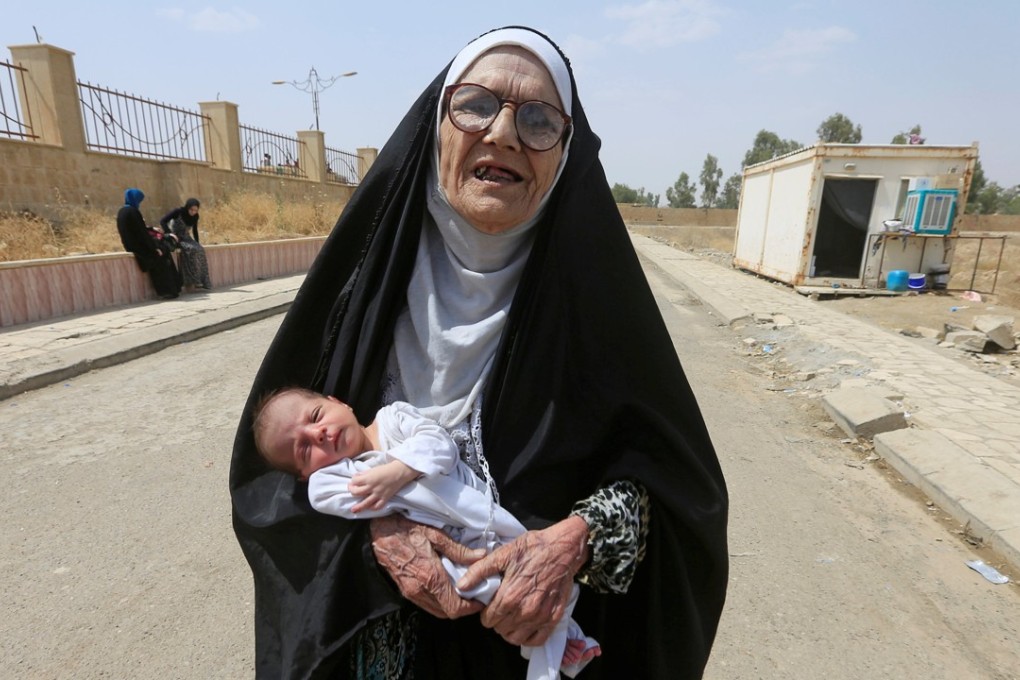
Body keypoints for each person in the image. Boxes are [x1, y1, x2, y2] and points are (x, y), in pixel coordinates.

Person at [231, 26, 728, 679]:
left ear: (566, 153)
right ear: (436, 127)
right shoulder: (362, 290)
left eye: (538, 120)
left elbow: (678, 497)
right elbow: (267, 482)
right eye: (475, 106)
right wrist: (378, 529)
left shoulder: (599, 307)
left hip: (530, 641)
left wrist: (573, 542)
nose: (503, 134)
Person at [252, 387, 601, 679]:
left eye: (316, 416)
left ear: (339, 402)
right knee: (483, 590)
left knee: (528, 568)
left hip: (473, 510)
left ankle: (558, 632)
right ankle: (556, 640)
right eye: (304, 450)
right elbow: (324, 494)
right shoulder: (336, 478)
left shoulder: (392, 419)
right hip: (443, 547)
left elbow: (440, 445)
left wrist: (398, 473)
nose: (319, 434)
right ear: (304, 475)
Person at [116, 188, 180, 299]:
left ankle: (171, 288)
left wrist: (151, 229)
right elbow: (142, 234)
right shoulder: (134, 212)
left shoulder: (122, 211)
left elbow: (137, 229)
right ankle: (169, 290)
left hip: (130, 245)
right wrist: (154, 248)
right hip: (139, 247)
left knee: (161, 250)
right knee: (163, 253)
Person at [159, 198, 212, 290]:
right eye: (191, 209)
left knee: (200, 250)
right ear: (187, 207)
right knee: (190, 249)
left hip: (187, 238)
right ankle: (192, 280)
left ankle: (202, 280)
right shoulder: (178, 212)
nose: (193, 212)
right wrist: (169, 233)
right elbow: (162, 221)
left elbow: (195, 230)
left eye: (195, 210)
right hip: (176, 238)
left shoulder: (195, 216)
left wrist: (197, 243)